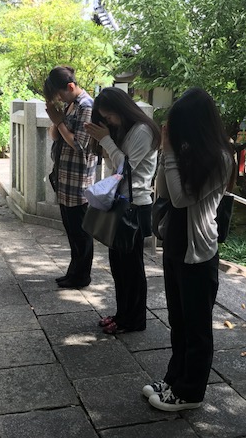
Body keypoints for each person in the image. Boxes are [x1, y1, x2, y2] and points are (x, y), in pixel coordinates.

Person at [144, 87, 235, 411]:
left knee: (196, 328)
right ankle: (173, 380)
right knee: (178, 320)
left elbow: (183, 198)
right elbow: (165, 192)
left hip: (198, 252)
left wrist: (169, 153)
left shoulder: (222, 158)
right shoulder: (188, 151)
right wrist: (165, 153)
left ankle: (191, 392)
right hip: (176, 244)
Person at [84, 87, 160, 334]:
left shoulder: (142, 131)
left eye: (110, 116)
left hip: (135, 206)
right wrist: (106, 140)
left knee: (132, 268)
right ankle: (122, 314)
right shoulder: (126, 131)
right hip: (122, 203)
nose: (109, 121)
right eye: (105, 118)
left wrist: (106, 139)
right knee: (119, 265)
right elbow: (116, 165)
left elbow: (125, 167)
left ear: (122, 109)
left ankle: (134, 320)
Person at [44, 66, 97, 289]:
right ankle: (73, 272)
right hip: (65, 176)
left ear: (70, 86)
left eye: (60, 94)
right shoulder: (71, 104)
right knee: (71, 230)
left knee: (81, 232)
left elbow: (80, 144)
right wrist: (57, 118)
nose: (60, 99)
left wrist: (60, 121)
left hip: (79, 180)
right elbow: (56, 136)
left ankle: (82, 275)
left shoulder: (87, 106)